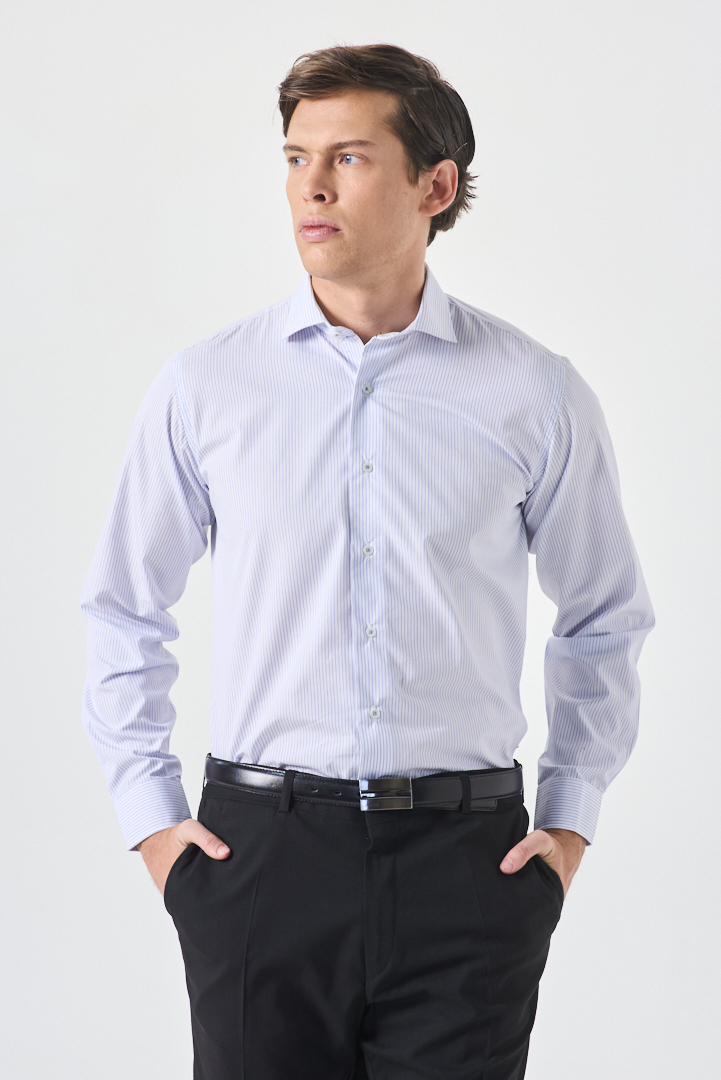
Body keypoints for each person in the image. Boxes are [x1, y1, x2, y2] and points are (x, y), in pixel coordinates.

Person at [80, 43, 654, 1080]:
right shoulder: (207, 386)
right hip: (258, 858)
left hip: (468, 866)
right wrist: (153, 825)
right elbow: (124, 605)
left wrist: (567, 828)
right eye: (295, 157)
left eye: (347, 157)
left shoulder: (532, 392)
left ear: (434, 186)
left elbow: (603, 616)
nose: (310, 185)